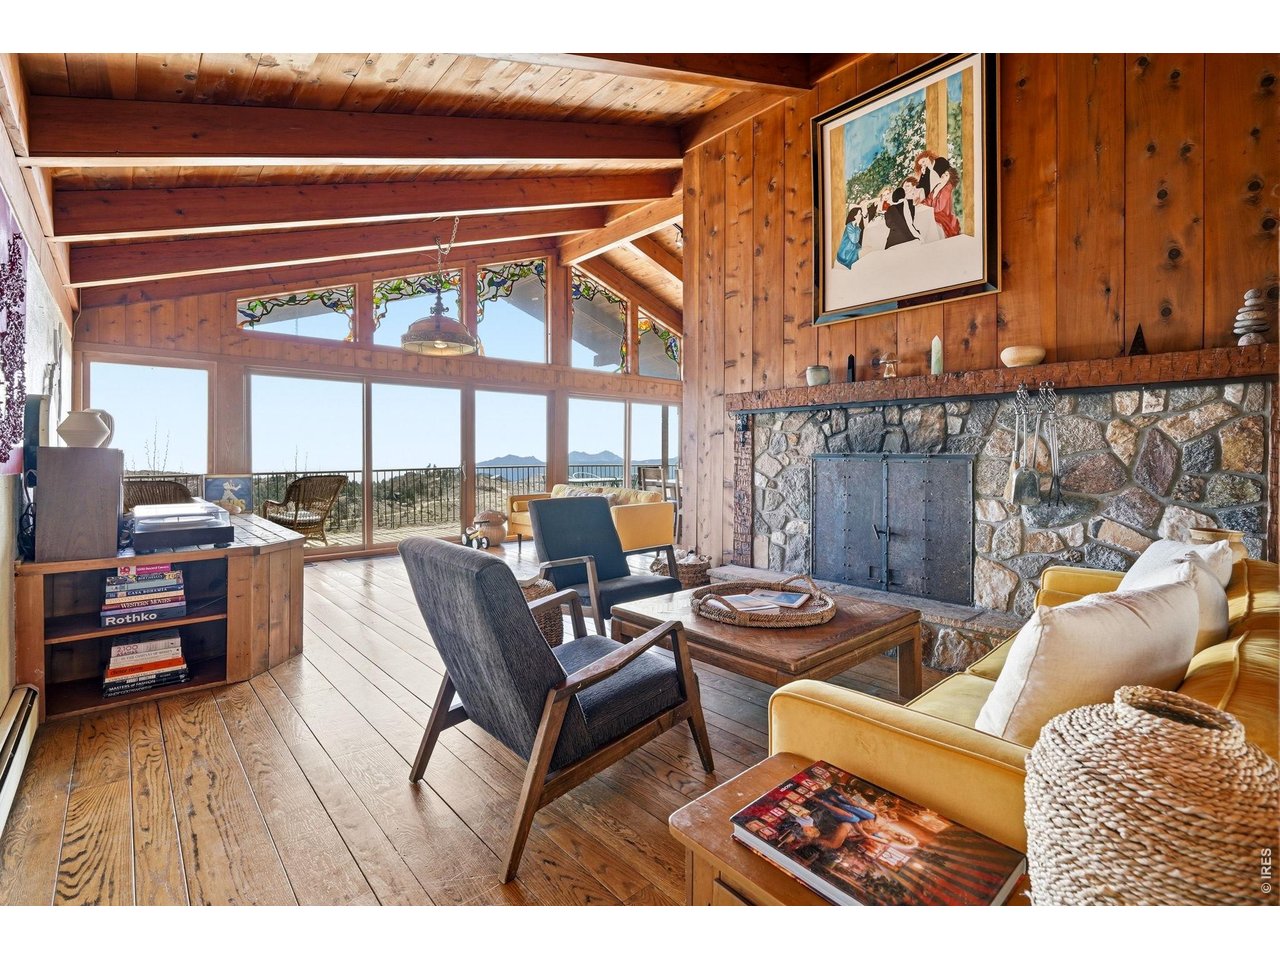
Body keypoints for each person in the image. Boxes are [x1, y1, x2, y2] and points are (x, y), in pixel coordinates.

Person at [915, 151, 961, 238]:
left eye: (924, 161)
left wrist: (928, 210)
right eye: (921, 164)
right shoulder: (935, 183)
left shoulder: (946, 188)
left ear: (928, 157)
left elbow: (941, 208)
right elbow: (925, 193)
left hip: (943, 219)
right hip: (935, 214)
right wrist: (921, 204)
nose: (923, 165)